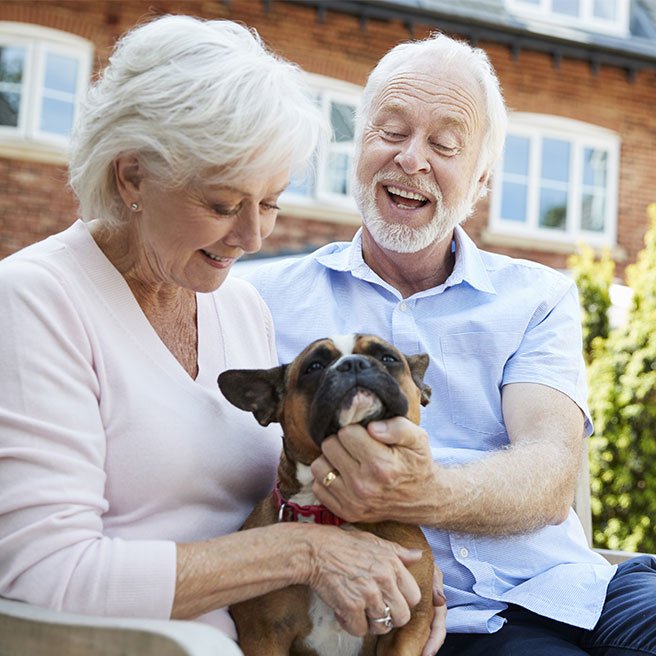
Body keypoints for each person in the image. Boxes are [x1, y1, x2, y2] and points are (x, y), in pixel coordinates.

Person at [0, 14, 446, 653]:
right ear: (132, 176)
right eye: (222, 205)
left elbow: (293, 489)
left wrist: (396, 598)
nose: (253, 237)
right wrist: (306, 552)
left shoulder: (239, 305)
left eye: (270, 203)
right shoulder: (33, 301)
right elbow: (47, 576)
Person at [245, 32, 656, 655]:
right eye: (390, 132)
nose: (412, 160)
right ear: (356, 146)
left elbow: (549, 473)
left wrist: (413, 492)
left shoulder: (538, 296)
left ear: (483, 177)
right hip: (418, 620)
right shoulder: (257, 297)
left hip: (570, 585)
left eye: (444, 144)